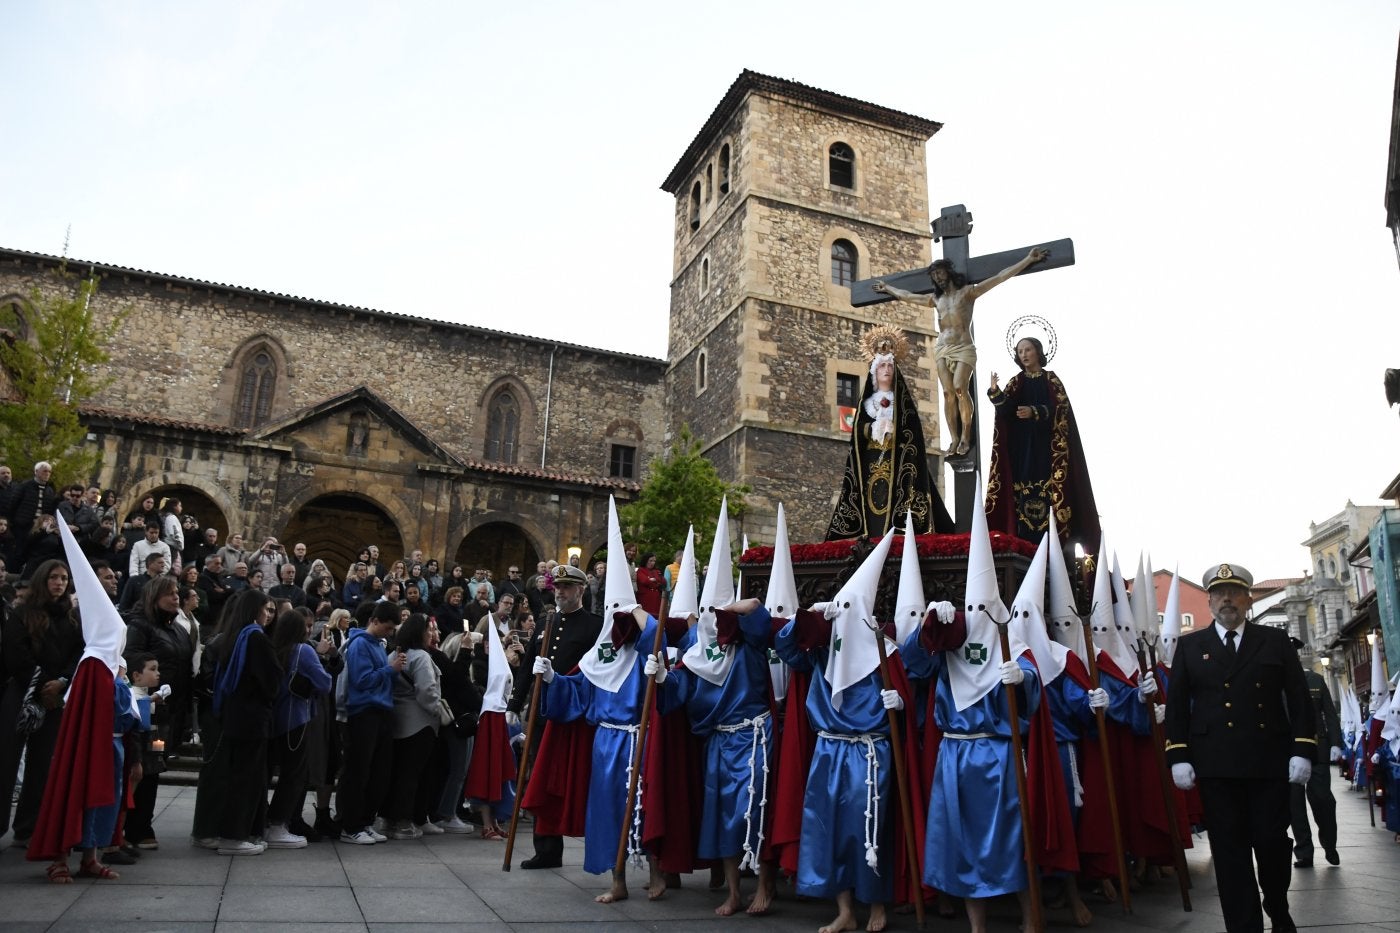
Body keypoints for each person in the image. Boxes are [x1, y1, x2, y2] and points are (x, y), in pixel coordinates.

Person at [1165, 563, 1316, 933]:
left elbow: (1298, 699)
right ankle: (1243, 925)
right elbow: (1177, 705)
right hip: (1215, 763)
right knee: (1229, 852)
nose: (1226, 600)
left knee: (1271, 843)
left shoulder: (1274, 641)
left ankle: (1277, 905)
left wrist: (1302, 748)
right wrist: (1179, 755)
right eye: (1219, 594)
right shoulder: (1190, 646)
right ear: (1210, 602)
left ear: (1248, 600)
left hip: (1267, 760)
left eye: (1234, 593)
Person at [871, 248, 1048, 457]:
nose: (937, 278)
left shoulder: (967, 292)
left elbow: (1000, 277)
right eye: (934, 276)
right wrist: (888, 288)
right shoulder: (936, 300)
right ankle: (954, 438)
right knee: (947, 394)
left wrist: (1028, 259)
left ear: (948, 272)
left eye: (940, 273)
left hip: (963, 348)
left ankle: (966, 435)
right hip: (942, 348)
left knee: (959, 388)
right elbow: (908, 296)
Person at [513, 563, 604, 869]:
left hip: (575, 713)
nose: (560, 592)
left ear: (580, 590)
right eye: (557, 587)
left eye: (566, 587)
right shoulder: (544, 623)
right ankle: (546, 848)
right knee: (539, 778)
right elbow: (527, 667)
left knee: (569, 778)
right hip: (542, 712)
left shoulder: (594, 626)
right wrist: (514, 704)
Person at [826, 325, 953, 541]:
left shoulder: (903, 405)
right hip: (870, 464)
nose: (886, 369)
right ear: (874, 371)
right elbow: (856, 434)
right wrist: (870, 429)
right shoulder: (866, 403)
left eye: (889, 366)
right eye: (881, 365)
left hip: (897, 466)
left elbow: (914, 437)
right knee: (870, 507)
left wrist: (896, 431)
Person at [984, 335, 1101, 553]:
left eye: (1028, 350)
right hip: (1021, 450)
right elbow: (1006, 413)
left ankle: (1053, 545)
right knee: (1022, 496)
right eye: (1020, 352)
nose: (1024, 355)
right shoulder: (1016, 382)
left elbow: (1060, 409)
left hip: (1046, 450)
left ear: (1038, 351)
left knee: (1047, 495)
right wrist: (995, 393)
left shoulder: (1051, 380)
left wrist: (1034, 412)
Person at [0, 560, 85, 845]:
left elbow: (79, 653)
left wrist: (62, 681)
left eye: (63, 578)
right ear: (42, 580)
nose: (59, 583)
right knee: (6, 762)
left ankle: (28, 828)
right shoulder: (23, 613)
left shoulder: (72, 618)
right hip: (23, 693)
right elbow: (15, 653)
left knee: (41, 766)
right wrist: (44, 683)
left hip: (54, 697)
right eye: (53, 577)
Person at [337, 600, 406, 845]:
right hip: (364, 711)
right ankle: (350, 825)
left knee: (378, 771)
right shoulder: (359, 645)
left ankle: (365, 821)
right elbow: (361, 680)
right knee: (359, 770)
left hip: (381, 711)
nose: (389, 633)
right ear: (374, 621)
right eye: (387, 628)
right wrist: (391, 669)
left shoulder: (377, 644)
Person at [1287, 637, 1343, 869]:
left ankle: (1329, 845)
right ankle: (1304, 852)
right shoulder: (1275, 684)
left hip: (1316, 748)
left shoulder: (1315, 680)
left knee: (1322, 800)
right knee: (1294, 806)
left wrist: (1335, 743)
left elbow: (1329, 714)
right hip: (1288, 752)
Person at [635, 553, 664, 618]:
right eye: (650, 561)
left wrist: (653, 580)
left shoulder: (657, 571)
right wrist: (655, 581)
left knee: (657, 617)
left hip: (656, 599)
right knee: (646, 618)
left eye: (654, 561)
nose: (652, 563)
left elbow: (664, 581)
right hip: (645, 599)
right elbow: (645, 581)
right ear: (645, 560)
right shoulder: (640, 570)